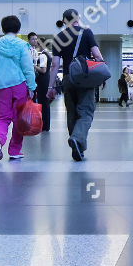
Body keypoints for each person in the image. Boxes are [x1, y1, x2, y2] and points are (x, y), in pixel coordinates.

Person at [48, 9, 104, 162]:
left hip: (67, 78)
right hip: (85, 78)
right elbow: (97, 55)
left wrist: (51, 87)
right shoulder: (86, 33)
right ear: (78, 18)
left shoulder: (58, 37)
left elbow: (55, 64)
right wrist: (102, 75)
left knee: (72, 113)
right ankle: (78, 139)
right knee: (86, 111)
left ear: (64, 20)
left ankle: (77, 148)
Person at [0, 16, 36, 161]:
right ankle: (14, 150)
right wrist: (31, 87)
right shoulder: (22, 45)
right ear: (18, 29)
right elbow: (28, 68)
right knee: (19, 119)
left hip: (2, 87)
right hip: (19, 85)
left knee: (3, 117)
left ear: (2, 28)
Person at [28, 33, 52, 132]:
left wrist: (33, 66)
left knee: (43, 103)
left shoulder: (42, 55)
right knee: (45, 104)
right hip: (46, 80)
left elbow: (43, 70)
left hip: (42, 81)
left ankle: (44, 126)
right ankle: (46, 125)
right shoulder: (48, 54)